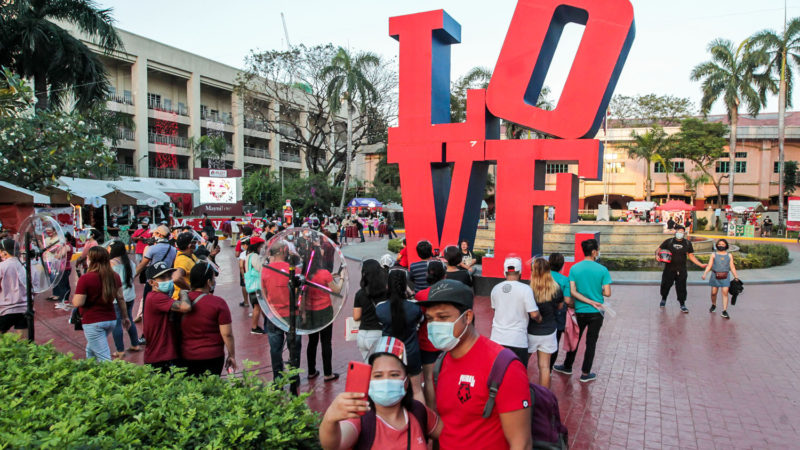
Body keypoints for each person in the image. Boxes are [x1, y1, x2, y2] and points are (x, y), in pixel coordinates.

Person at [423, 280, 532, 449]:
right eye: (430, 319)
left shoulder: (503, 366)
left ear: (467, 317)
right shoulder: (441, 363)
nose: (434, 325)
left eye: (443, 317)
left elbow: (521, 443)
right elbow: (450, 424)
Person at [319, 337, 442, 450]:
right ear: (368, 380)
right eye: (378, 375)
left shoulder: (419, 411)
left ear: (406, 381)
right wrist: (330, 418)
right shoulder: (361, 419)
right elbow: (334, 445)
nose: (386, 381)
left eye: (394, 374)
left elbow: (447, 434)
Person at [554, 239, 611, 383]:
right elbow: (608, 292)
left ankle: (567, 366)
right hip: (597, 312)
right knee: (591, 342)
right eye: (597, 250)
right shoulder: (603, 270)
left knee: (575, 338)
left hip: (579, 310)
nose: (598, 252)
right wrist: (597, 292)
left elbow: (572, 291)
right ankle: (586, 373)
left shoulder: (574, 268)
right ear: (593, 252)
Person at [72, 247, 131, 362]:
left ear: (91, 259)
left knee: (104, 357)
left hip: (93, 321)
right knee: (91, 349)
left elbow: (78, 302)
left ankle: (110, 377)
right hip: (110, 320)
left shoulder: (86, 278)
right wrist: (125, 317)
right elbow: (121, 298)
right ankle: (91, 371)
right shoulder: (114, 276)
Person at [180, 261, 236, 376]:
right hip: (213, 357)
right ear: (208, 282)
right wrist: (232, 355)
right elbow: (227, 334)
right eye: (213, 279)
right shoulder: (218, 303)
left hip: (187, 355)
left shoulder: (181, 303)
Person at [376, 269, 424, 403]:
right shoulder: (414, 308)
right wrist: (409, 293)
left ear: (388, 285)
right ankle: (421, 421)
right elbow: (420, 320)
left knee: (391, 390)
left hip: (390, 353)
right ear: (405, 285)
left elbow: (381, 323)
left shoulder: (380, 308)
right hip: (411, 352)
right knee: (417, 390)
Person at [260, 240, 302, 395]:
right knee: (294, 348)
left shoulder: (265, 271)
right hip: (292, 315)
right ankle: (294, 376)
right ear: (285, 250)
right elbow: (300, 294)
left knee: (275, 349)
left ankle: (278, 379)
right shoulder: (295, 271)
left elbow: (263, 295)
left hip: (273, 315)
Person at [489, 256, 540, 367]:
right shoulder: (526, 289)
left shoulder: (495, 288)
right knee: (518, 374)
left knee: (496, 375)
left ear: (505, 272)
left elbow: (494, 309)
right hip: (517, 340)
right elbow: (534, 314)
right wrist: (540, 318)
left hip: (496, 339)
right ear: (520, 272)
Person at [142, 261, 192, 372]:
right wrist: (184, 293)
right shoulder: (156, 298)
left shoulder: (161, 297)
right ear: (151, 282)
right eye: (162, 278)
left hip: (165, 354)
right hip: (160, 357)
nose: (168, 280)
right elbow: (185, 306)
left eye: (169, 276)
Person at [304, 253, 344, 382]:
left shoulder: (305, 274)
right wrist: (342, 278)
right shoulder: (324, 273)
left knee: (312, 341)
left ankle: (311, 371)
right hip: (325, 310)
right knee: (326, 342)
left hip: (310, 311)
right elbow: (336, 290)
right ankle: (328, 373)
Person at [413, 259, 446, 408]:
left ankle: (432, 411)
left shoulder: (421, 295)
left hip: (428, 341)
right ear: (444, 275)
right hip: (449, 340)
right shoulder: (451, 293)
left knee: (429, 378)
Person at [527, 258, 564, 389]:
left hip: (530, 331)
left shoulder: (528, 290)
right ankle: (544, 397)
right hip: (549, 331)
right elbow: (560, 307)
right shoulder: (556, 289)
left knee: (522, 365)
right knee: (544, 367)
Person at [658, 224, 706, 312]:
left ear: (684, 233)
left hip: (681, 269)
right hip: (669, 269)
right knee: (665, 285)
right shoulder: (668, 242)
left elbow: (691, 256)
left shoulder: (687, 243)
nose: (680, 233)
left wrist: (701, 264)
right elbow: (659, 249)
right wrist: (657, 255)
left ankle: (682, 304)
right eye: (678, 231)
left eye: (682, 232)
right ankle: (663, 299)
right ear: (675, 232)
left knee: (681, 287)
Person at [134, 225, 177, 323]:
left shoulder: (152, 249)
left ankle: (146, 333)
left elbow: (142, 265)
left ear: (160, 235)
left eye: (155, 233)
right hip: (167, 280)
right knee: (165, 306)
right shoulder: (173, 249)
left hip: (153, 281)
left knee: (147, 307)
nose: (153, 235)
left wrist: (131, 277)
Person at [108, 241, 140, 358]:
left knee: (117, 323)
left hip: (117, 298)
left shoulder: (111, 264)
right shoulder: (130, 262)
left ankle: (120, 350)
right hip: (130, 296)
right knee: (129, 319)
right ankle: (135, 344)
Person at [353, 259, 388, 361]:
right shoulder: (385, 292)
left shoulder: (360, 293)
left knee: (368, 368)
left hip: (362, 335)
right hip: (378, 334)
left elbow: (356, 316)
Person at [702, 238, 739, 320]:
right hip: (715, 276)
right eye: (719, 244)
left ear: (726, 245)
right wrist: (705, 273)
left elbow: (732, 267)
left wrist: (736, 276)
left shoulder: (729, 255)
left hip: (725, 276)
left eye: (723, 244)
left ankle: (724, 311)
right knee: (713, 293)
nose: (721, 246)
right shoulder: (713, 255)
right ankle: (714, 304)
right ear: (717, 245)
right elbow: (709, 265)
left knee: (725, 292)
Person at [547, 253, 572, 371]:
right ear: (562, 265)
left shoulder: (542, 277)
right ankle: (549, 367)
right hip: (559, 313)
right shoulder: (565, 280)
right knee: (555, 341)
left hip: (543, 312)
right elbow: (567, 300)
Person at [0, 239, 27, 334]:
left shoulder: (2, 266)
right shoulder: (26, 266)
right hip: (25, 309)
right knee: (23, 344)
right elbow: (35, 288)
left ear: (4, 252)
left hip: (6, 310)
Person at [171, 232, 199, 300]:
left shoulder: (191, 255)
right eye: (194, 243)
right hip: (184, 299)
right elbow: (176, 278)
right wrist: (191, 290)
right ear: (190, 245)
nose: (196, 245)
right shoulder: (183, 260)